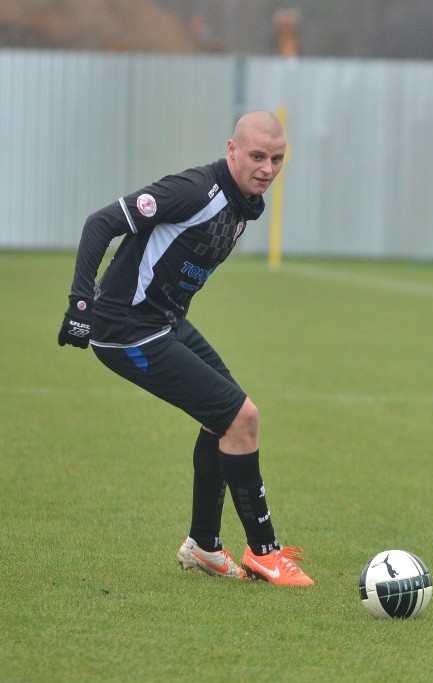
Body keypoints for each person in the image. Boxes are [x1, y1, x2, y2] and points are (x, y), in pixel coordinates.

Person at [58, 110, 314, 586]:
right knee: (243, 417)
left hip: (165, 322)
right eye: (257, 156)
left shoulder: (242, 202)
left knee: (225, 419)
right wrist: (80, 302)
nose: (268, 168)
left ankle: (204, 546)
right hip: (127, 329)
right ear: (232, 150)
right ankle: (265, 552)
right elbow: (100, 223)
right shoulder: (196, 191)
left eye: (277, 159)